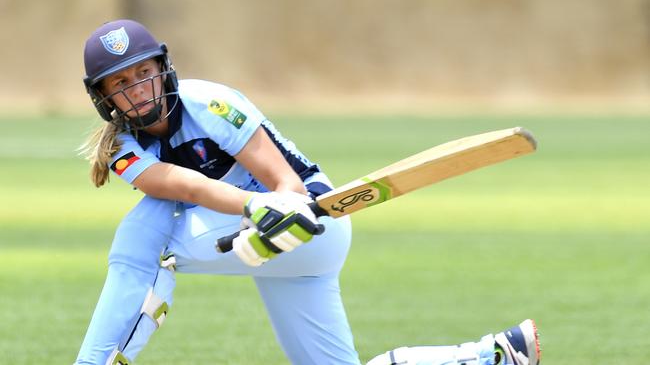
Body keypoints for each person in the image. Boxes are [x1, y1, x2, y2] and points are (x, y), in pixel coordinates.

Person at [75, 19, 541, 365]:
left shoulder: (210, 103)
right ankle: (492, 355)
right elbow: (178, 185)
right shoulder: (119, 145)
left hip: (311, 223)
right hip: (257, 232)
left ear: (163, 68)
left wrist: (270, 206)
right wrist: (254, 208)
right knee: (151, 219)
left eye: (143, 73)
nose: (137, 90)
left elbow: (288, 184)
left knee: (148, 245)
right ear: (103, 98)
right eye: (120, 83)